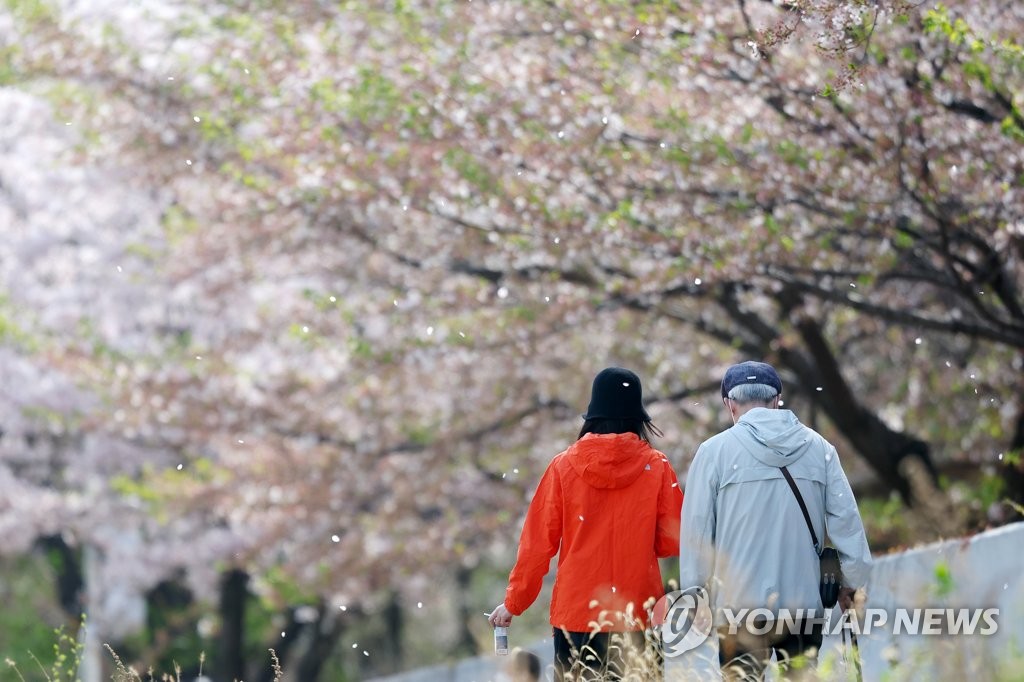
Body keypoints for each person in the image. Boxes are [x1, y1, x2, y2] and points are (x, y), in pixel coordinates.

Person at [678, 361, 872, 680]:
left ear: (729, 403)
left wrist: (695, 594)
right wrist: (851, 583)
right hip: (803, 605)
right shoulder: (819, 449)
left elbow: (697, 534)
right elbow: (847, 523)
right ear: (777, 398)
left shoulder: (713, 453)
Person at [488, 367, 684, 680]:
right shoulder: (656, 467)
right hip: (636, 615)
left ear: (592, 413)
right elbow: (672, 540)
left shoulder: (563, 466)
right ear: (637, 415)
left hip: (576, 617)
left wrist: (514, 603)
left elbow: (537, 545)